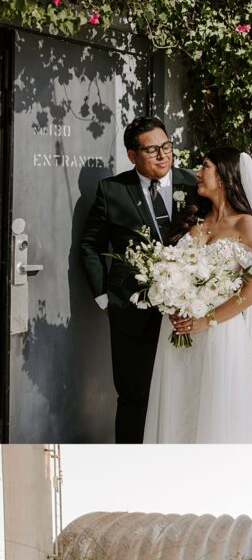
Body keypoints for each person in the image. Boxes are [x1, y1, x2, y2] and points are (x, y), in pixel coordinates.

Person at [142, 147, 252, 443]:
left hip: (219, 333)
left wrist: (206, 320)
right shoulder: (194, 221)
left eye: (205, 166)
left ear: (222, 177)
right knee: (179, 410)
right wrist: (170, 297)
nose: (198, 172)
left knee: (216, 419)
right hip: (178, 333)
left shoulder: (245, 224)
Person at [80, 116, 198, 443]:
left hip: (186, 315)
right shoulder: (112, 191)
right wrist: (105, 298)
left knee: (183, 395)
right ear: (133, 156)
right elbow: (90, 246)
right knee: (135, 400)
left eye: (166, 147)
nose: (163, 156)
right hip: (131, 314)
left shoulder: (195, 185)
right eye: (152, 150)